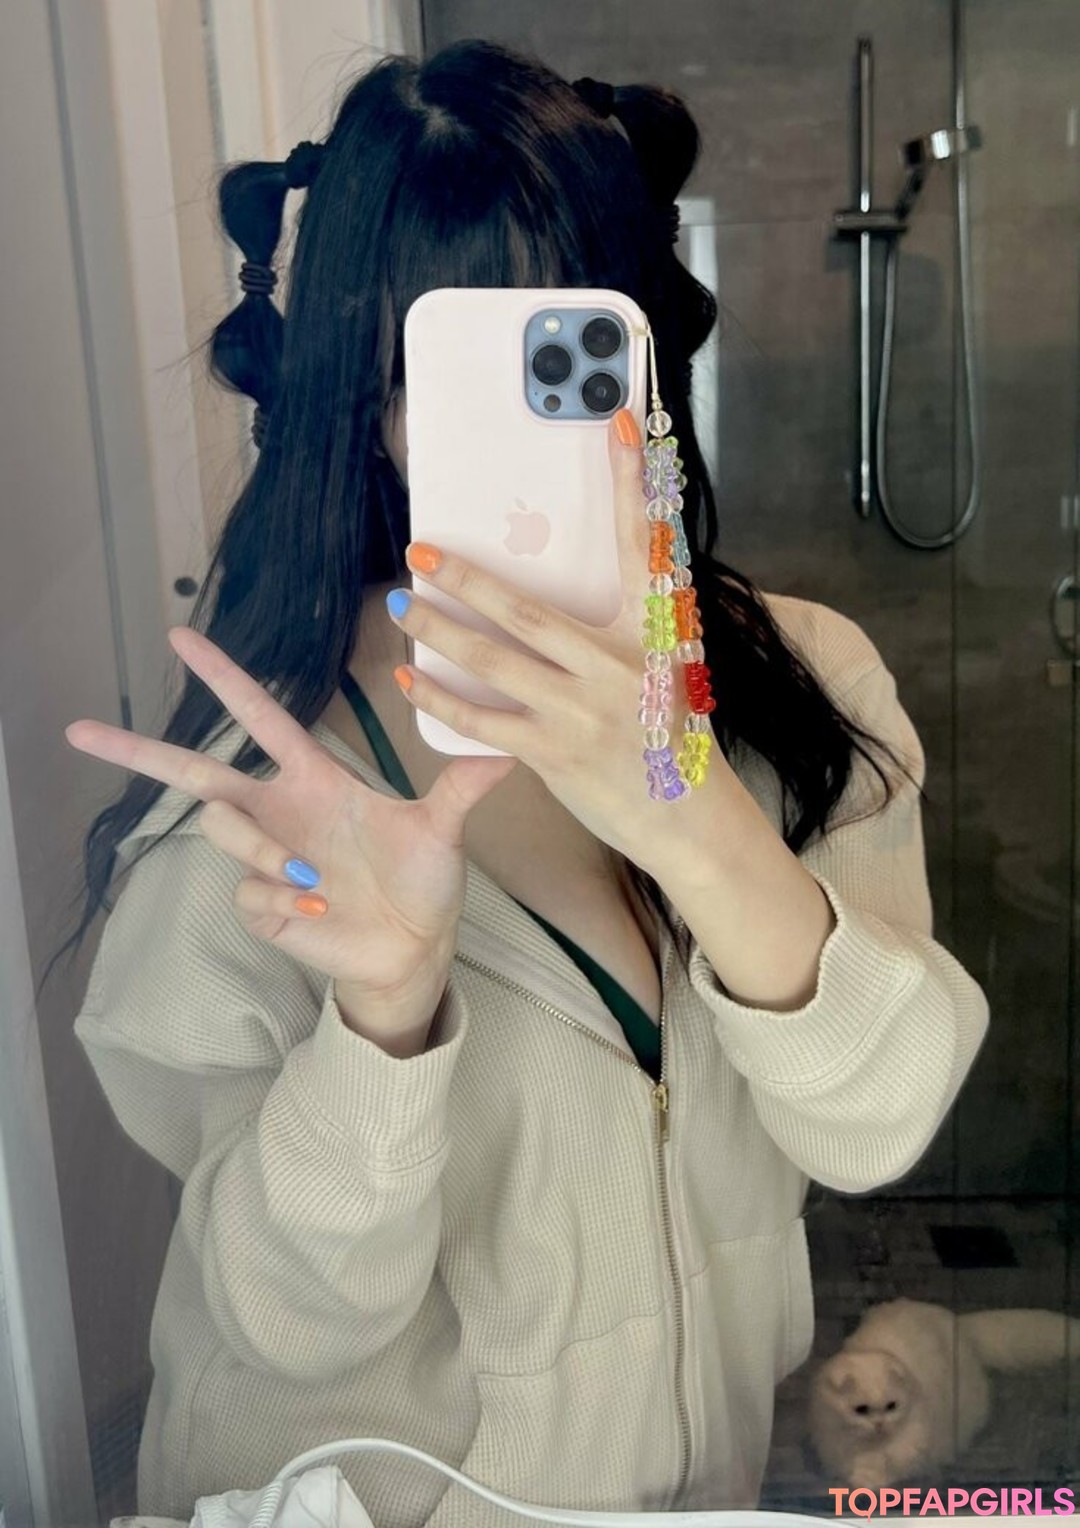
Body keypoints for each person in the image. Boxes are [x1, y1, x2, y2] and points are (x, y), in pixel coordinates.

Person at [62, 37, 988, 1527]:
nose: (517, 421)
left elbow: (874, 1132)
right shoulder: (260, 797)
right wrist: (381, 1021)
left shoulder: (806, 694)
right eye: (447, 370)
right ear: (369, 400)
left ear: (641, 359)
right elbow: (281, 1332)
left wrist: (695, 820)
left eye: (562, 351)